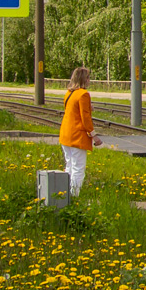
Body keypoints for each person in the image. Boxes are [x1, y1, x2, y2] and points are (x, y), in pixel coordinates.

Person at [59, 67, 101, 196]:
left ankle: (65, 193)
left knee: (69, 165)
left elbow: (73, 111)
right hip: (77, 136)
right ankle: (74, 195)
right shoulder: (83, 94)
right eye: (88, 78)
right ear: (83, 79)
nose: (89, 80)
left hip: (65, 135)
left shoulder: (69, 93)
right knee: (78, 168)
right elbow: (85, 118)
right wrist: (94, 136)